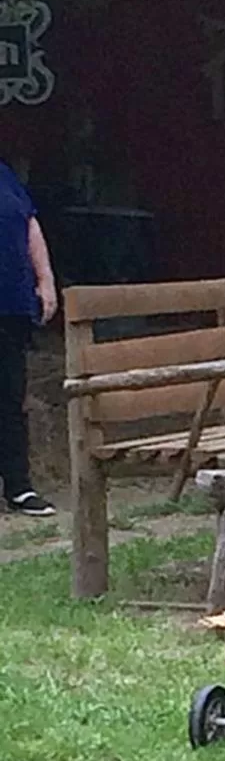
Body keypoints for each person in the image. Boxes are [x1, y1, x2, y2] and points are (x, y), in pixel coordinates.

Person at [0, 160, 57, 516]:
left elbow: (29, 223)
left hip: (11, 304)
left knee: (10, 398)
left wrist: (45, 279)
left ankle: (18, 487)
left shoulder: (4, 174)